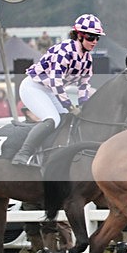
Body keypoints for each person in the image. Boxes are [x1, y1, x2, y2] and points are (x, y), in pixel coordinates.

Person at [12, 14, 102, 166]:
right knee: (53, 119)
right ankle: (23, 153)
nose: (94, 42)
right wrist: (69, 105)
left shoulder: (87, 59)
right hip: (33, 87)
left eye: (97, 38)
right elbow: (55, 81)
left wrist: (83, 104)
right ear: (79, 35)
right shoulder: (64, 50)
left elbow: (84, 85)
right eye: (91, 37)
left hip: (50, 91)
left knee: (67, 120)